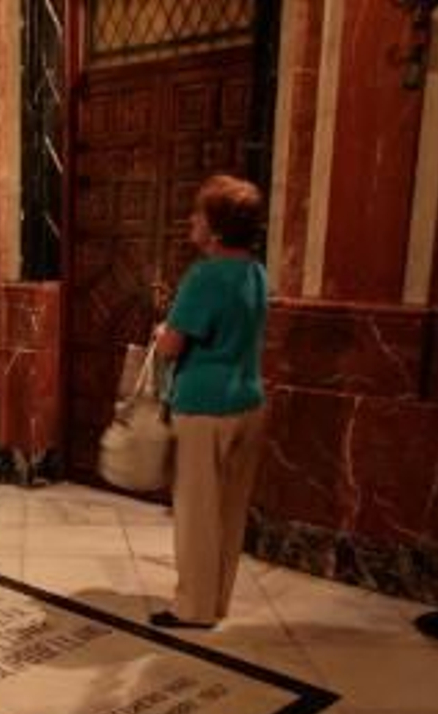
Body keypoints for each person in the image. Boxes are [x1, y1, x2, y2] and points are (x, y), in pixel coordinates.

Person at [149, 175, 269, 630]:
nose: (191, 220)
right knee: (230, 511)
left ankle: (193, 608)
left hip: (205, 408)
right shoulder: (255, 271)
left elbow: (173, 346)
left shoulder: (205, 275)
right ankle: (216, 600)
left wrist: (162, 332)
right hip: (249, 403)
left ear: (215, 229)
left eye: (198, 213)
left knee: (197, 513)